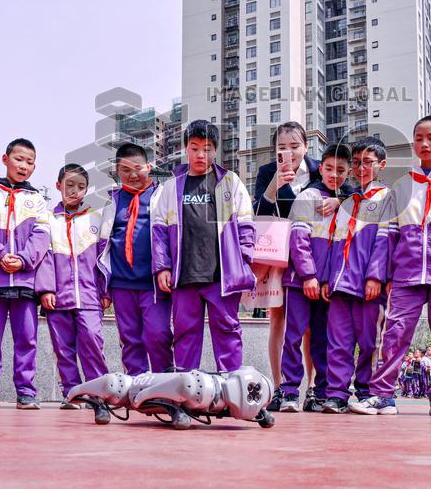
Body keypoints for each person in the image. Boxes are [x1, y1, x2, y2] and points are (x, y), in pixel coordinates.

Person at [355, 118, 431, 417]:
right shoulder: (401, 186)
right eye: (419, 138)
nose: (424, 144)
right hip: (406, 274)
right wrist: (378, 274)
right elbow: (386, 235)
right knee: (394, 333)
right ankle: (383, 395)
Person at [152, 120, 256, 371]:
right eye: (195, 147)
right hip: (184, 275)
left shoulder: (230, 182)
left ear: (216, 150)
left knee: (228, 330)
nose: (201, 154)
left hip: (222, 276)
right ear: (185, 149)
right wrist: (162, 267)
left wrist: (244, 262)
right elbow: (159, 230)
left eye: (207, 148)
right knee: (185, 335)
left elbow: (246, 225)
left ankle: (232, 387)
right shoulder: (171, 187)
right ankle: (186, 391)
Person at [253, 122, 342, 411]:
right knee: (279, 319)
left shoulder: (320, 169)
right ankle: (281, 387)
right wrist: (272, 188)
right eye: (281, 147)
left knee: (312, 328)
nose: (288, 151)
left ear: (306, 146)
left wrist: (339, 201)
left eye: (294, 145)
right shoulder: (269, 172)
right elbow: (257, 214)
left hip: (313, 253)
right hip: (278, 254)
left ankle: (313, 389)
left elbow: (350, 190)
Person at [0, 138, 50, 410]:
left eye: (29, 162)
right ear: (5, 159)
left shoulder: (37, 199)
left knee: (27, 339)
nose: (23, 166)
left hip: (25, 282)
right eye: (18, 159)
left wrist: (24, 260)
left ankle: (26, 391)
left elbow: (42, 236)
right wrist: (0, 255)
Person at [320, 136, 393, 414]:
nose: (361, 168)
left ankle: (368, 391)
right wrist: (327, 277)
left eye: (368, 163)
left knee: (370, 342)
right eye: (357, 163)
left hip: (368, 286)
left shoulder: (389, 198)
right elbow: (333, 241)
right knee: (338, 342)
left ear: (381, 165)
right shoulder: (348, 201)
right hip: (340, 283)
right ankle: (337, 394)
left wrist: (376, 276)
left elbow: (385, 241)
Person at [277, 141, 352, 412]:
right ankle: (288, 392)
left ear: (348, 173)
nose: (334, 175)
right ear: (321, 169)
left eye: (340, 170)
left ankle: (321, 392)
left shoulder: (347, 203)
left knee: (323, 340)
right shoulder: (308, 197)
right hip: (300, 282)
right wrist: (308, 276)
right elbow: (299, 240)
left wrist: (328, 282)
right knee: (293, 337)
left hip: (327, 287)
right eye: (329, 169)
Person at [36, 164, 110, 403]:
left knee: (91, 341)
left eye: (80, 187)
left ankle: (99, 391)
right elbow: (45, 257)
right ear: (58, 186)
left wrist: (105, 290)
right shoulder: (48, 219)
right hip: (58, 298)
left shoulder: (95, 219)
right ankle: (73, 393)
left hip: (89, 297)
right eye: (69, 185)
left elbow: (104, 258)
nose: (74, 191)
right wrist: (46, 289)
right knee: (63, 349)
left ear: (86, 190)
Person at [100, 143, 172, 376]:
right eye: (125, 170)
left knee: (158, 334)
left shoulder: (162, 196)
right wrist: (103, 285)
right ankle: (137, 385)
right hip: (121, 283)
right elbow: (104, 242)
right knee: (130, 338)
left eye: (138, 168)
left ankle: (164, 383)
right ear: (117, 172)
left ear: (149, 167)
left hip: (153, 282)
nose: (132, 175)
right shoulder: (112, 201)